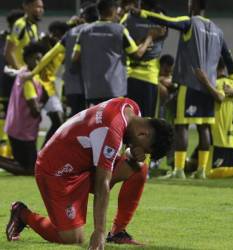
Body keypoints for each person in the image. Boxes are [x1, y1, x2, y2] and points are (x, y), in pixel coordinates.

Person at [6, 97, 174, 250]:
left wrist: (132, 152)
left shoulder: (132, 108)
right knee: (72, 238)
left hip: (84, 165)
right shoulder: (112, 129)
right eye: (144, 148)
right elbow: (102, 184)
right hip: (56, 171)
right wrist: (99, 231)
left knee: (139, 166)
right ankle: (22, 214)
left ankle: (117, 232)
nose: (141, 151)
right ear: (143, 133)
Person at [133, 0, 233, 179]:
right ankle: (201, 171)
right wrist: (232, 78)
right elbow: (228, 57)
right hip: (209, 87)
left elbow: (168, 21)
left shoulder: (191, 22)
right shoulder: (218, 31)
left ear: (193, 6)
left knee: (182, 126)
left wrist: (142, 14)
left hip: (190, 84)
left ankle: (179, 170)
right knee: (204, 128)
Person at [72, 0, 164, 107]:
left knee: (96, 121)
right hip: (115, 89)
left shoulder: (84, 31)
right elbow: (137, 54)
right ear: (112, 10)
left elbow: (75, 58)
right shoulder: (119, 30)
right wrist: (150, 37)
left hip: (92, 88)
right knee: (115, 121)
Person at [23, 2, 99, 117]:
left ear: (84, 17)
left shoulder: (71, 34)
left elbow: (50, 55)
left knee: (75, 119)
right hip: (100, 86)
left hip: (74, 87)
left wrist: (32, 73)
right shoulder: (111, 31)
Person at [0, 42, 47, 175]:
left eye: (40, 59)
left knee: (24, 164)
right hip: (22, 132)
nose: (38, 62)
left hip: (20, 129)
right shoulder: (28, 80)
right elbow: (34, 111)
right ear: (27, 59)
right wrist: (44, 102)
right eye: (35, 58)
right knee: (30, 169)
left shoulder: (26, 72)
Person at [122, 0, 167, 117]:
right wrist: (143, 40)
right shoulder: (128, 17)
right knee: (133, 117)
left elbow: (163, 32)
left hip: (146, 75)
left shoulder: (158, 17)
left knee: (143, 118)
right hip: (133, 74)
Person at [0, 9, 25, 158]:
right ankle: (4, 146)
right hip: (6, 81)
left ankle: (10, 148)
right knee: (5, 114)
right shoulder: (9, 40)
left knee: (13, 115)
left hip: (15, 81)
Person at [4, 0, 44, 70]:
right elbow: (8, 52)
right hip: (20, 77)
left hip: (30, 74)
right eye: (38, 7)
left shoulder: (34, 25)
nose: (41, 10)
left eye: (42, 7)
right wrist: (20, 72)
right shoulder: (20, 24)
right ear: (26, 7)